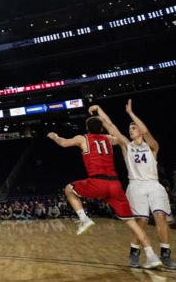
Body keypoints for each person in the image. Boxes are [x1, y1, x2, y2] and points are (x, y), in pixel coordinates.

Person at [47, 111, 163, 269]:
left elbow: (64, 143)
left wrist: (54, 136)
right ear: (102, 130)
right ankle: (152, 255)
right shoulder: (109, 139)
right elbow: (118, 136)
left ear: (87, 128)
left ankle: (84, 218)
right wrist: (106, 121)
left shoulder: (83, 138)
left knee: (69, 189)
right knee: (132, 223)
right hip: (115, 184)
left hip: (97, 182)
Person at [100, 100, 176, 270]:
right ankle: (134, 252)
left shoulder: (152, 147)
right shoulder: (126, 146)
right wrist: (99, 109)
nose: (130, 130)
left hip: (153, 184)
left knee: (160, 217)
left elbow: (146, 130)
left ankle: (165, 254)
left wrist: (131, 113)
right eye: (130, 128)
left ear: (140, 132)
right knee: (141, 221)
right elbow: (110, 126)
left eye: (133, 128)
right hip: (136, 185)